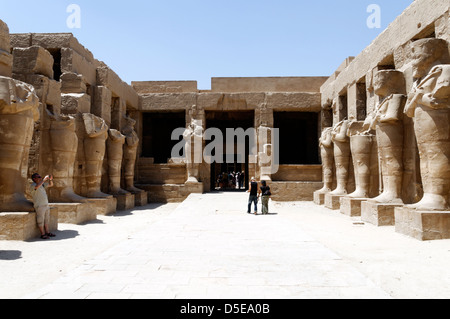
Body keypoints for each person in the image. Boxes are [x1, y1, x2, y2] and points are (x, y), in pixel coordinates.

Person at [30, 173, 56, 240]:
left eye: (40, 177)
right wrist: (44, 180)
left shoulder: (42, 185)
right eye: (38, 177)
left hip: (46, 204)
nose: (40, 178)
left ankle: (47, 232)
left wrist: (50, 180)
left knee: (46, 220)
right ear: (34, 179)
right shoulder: (33, 185)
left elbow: (51, 185)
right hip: (39, 205)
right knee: (40, 220)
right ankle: (42, 234)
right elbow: (36, 187)